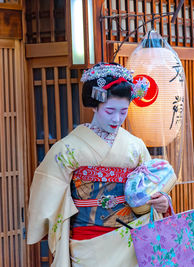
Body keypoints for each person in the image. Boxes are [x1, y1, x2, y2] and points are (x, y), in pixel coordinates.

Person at [27, 63, 172, 267]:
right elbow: (47, 188)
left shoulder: (135, 146)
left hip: (132, 238)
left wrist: (162, 201)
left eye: (123, 111)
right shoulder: (68, 148)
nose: (117, 118)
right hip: (88, 240)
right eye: (110, 110)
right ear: (94, 105)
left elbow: (152, 187)